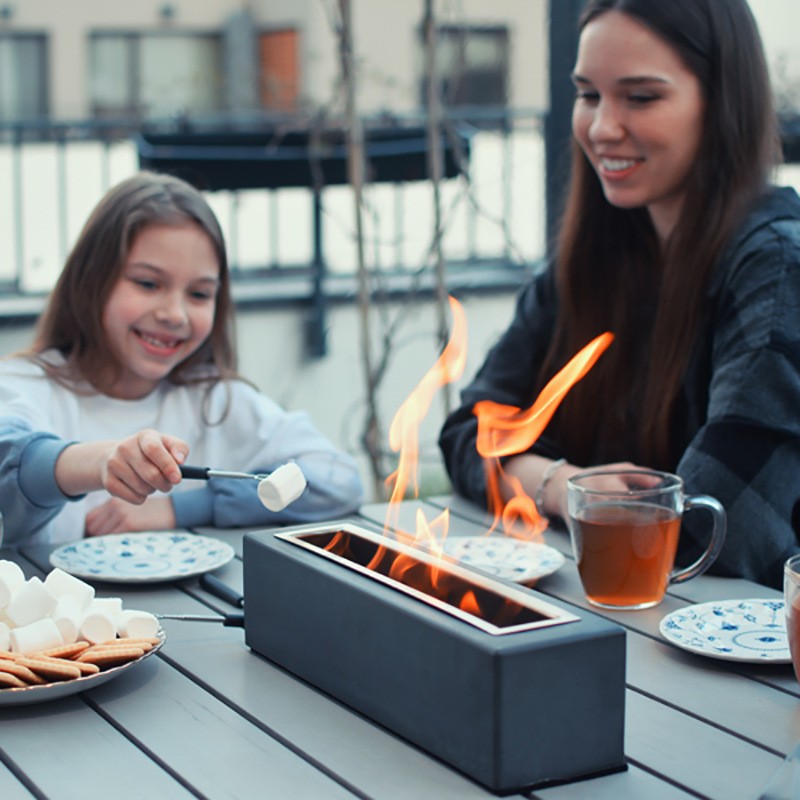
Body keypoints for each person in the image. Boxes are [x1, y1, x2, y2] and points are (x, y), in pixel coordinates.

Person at [439, 0, 800, 589]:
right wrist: (565, 486)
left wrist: (552, 486)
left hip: (741, 665)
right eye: (588, 94)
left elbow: (718, 530)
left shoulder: (778, 269)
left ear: (721, 102)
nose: (602, 127)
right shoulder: (593, 254)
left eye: (640, 97)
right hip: (608, 620)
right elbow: (468, 434)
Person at [0, 171, 363, 545]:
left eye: (199, 294)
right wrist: (99, 462)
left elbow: (338, 480)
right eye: (148, 283)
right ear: (91, 280)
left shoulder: (215, 400)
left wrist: (180, 508)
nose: (175, 313)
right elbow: (10, 466)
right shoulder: (22, 386)